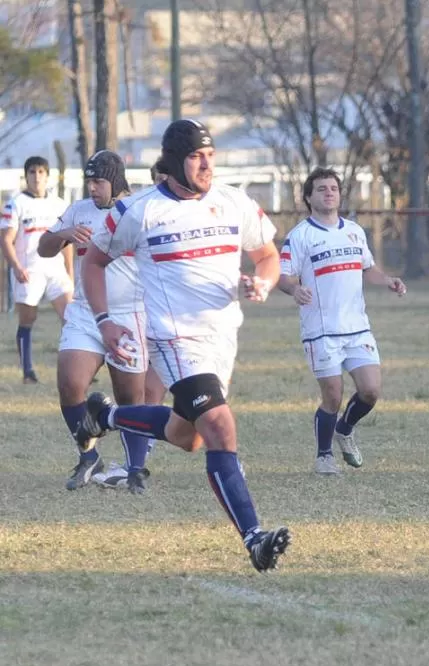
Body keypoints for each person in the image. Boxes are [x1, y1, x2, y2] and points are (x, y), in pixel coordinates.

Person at [72, 119, 290, 571]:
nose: (207, 163)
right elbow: (93, 262)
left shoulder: (233, 200)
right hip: (174, 339)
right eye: (195, 156)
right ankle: (254, 538)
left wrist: (263, 284)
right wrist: (104, 320)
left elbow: (269, 255)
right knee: (220, 428)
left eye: (210, 154)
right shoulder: (139, 210)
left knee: (186, 437)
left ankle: (105, 414)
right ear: (173, 162)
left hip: (222, 337)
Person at [37, 150, 166, 491]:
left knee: (130, 397)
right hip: (85, 312)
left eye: (98, 181)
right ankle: (88, 456)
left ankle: (135, 468)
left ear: (116, 180)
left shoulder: (137, 211)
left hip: (128, 316)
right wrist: (64, 233)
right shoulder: (78, 211)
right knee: (69, 382)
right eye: (89, 181)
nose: (92, 188)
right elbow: (43, 248)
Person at [278, 167, 406, 475]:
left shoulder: (354, 231)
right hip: (321, 331)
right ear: (309, 197)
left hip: (356, 327)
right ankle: (324, 456)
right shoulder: (300, 236)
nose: (329, 193)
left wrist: (386, 280)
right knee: (332, 394)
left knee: (371, 391)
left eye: (333, 188)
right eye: (321, 189)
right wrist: (295, 289)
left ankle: (345, 429)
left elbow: (368, 267)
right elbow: (282, 276)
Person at [0, 156, 72, 383]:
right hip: (29, 270)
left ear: (47, 175)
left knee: (72, 318)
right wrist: (17, 267)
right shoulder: (16, 203)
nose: (37, 176)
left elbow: (66, 241)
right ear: (26, 175)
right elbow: (6, 239)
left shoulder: (59, 204)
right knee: (27, 320)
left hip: (55, 269)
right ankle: (27, 371)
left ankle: (76, 368)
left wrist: (69, 271)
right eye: (32, 172)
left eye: (41, 172)